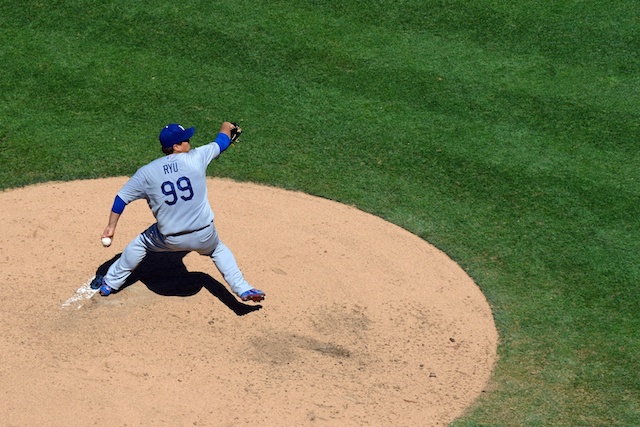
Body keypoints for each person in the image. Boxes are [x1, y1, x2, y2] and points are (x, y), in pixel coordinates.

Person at [94, 121, 265, 303]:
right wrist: (226, 125)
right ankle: (243, 288)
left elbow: (121, 199)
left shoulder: (146, 173)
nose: (189, 142)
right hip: (204, 235)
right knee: (217, 249)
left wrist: (111, 227)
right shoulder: (197, 157)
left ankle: (109, 284)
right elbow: (222, 141)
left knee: (140, 244)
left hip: (169, 238)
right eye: (186, 140)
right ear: (176, 146)